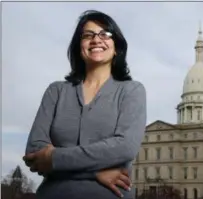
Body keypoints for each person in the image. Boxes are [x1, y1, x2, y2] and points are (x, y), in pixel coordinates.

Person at [23, 10, 146, 199]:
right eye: (88, 35)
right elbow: (34, 153)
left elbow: (124, 147)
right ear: (79, 46)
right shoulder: (56, 91)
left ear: (117, 47)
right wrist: (95, 173)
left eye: (105, 34)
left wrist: (54, 158)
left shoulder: (132, 91)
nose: (96, 40)